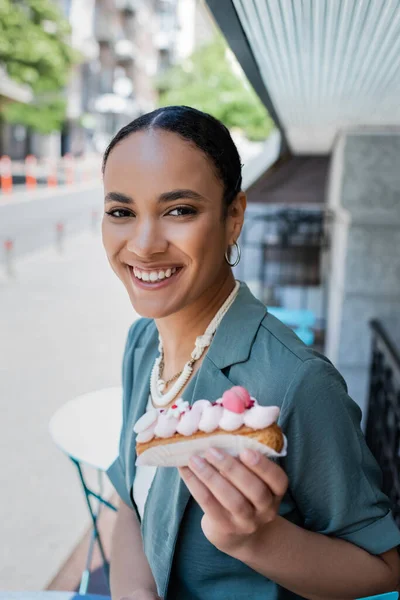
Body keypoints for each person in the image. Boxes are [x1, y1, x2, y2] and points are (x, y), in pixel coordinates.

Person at [102, 105, 400, 600]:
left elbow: (384, 567)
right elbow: (130, 505)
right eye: (121, 212)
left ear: (233, 216)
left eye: (180, 210)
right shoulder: (141, 341)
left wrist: (259, 540)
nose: (145, 244)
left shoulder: (296, 382)